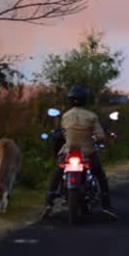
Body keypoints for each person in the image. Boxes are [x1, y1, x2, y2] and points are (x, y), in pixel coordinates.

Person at [42, 84, 116, 219]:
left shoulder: (65, 116)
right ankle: (107, 206)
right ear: (85, 99)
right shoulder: (91, 116)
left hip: (69, 152)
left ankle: (49, 203)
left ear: (70, 99)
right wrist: (95, 139)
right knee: (100, 176)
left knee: (56, 175)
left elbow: (63, 133)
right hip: (87, 152)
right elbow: (100, 136)